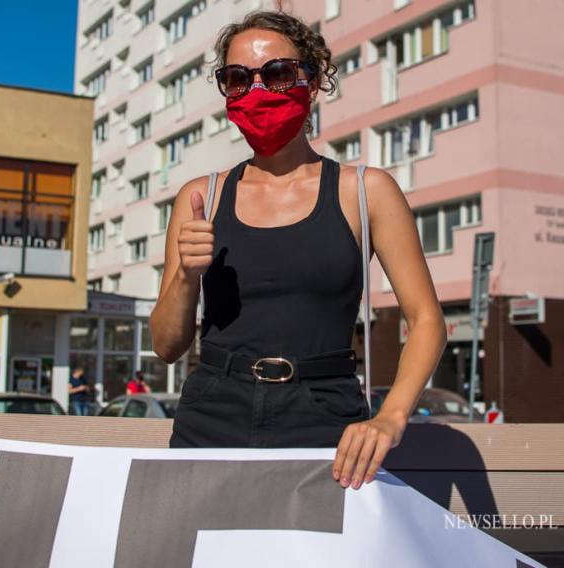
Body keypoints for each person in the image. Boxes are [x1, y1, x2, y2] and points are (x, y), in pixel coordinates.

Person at [148, 10, 447, 491]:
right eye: (238, 78)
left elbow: (427, 320)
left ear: (313, 82)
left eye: (279, 73)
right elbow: (166, 345)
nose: (259, 90)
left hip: (325, 418)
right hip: (212, 415)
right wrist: (186, 275)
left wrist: (390, 418)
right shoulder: (201, 196)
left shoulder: (365, 191)